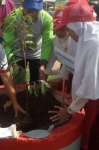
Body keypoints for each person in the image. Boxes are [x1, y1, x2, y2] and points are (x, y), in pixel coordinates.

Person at [49, 3, 99, 150]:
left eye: (68, 27)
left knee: (92, 129)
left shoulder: (94, 44)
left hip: (95, 97)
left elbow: (90, 84)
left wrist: (70, 110)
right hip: (91, 94)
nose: (68, 33)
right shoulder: (85, 37)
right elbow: (73, 63)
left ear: (77, 25)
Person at [3, 0, 53, 83]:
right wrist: (13, 61)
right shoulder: (13, 17)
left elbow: (47, 42)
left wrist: (43, 63)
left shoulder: (47, 19)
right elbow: (8, 41)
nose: (32, 14)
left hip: (37, 54)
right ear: (23, 5)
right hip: (18, 54)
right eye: (29, 10)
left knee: (36, 82)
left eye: (36, 11)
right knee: (19, 81)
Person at [44, 9, 71, 90]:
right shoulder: (54, 40)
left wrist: (61, 76)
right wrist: (45, 75)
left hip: (72, 67)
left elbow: (69, 61)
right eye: (56, 27)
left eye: (62, 29)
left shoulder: (72, 40)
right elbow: (51, 58)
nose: (58, 32)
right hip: (64, 63)